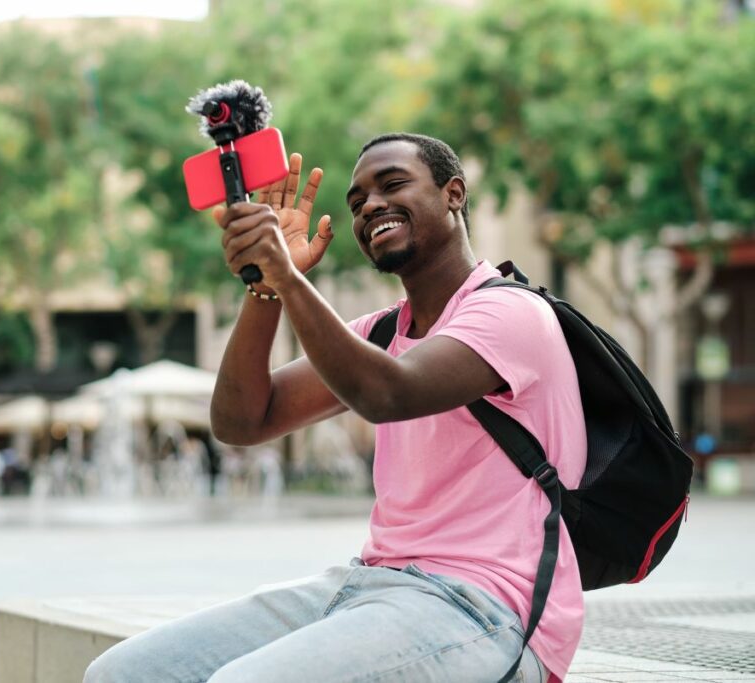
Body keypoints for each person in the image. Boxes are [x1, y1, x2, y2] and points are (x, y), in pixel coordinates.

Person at [84, 134, 586, 682]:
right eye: (356, 202)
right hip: (372, 586)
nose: (371, 205)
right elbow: (241, 421)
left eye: (393, 184)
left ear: (454, 194)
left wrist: (289, 277)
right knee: (125, 673)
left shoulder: (511, 313)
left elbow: (387, 395)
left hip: (489, 609)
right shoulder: (383, 331)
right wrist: (266, 289)